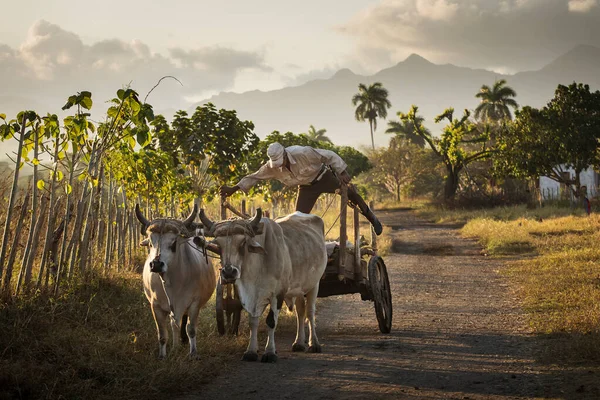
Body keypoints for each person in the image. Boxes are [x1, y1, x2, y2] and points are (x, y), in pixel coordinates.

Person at [220, 142, 383, 235]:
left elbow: (329, 155)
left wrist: (342, 172)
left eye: (281, 161)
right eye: (276, 163)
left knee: (352, 192)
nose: (280, 165)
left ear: (285, 154)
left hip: (323, 177)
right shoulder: (271, 168)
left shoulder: (303, 153)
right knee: (297, 218)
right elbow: (253, 176)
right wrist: (233, 189)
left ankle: (371, 217)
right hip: (306, 188)